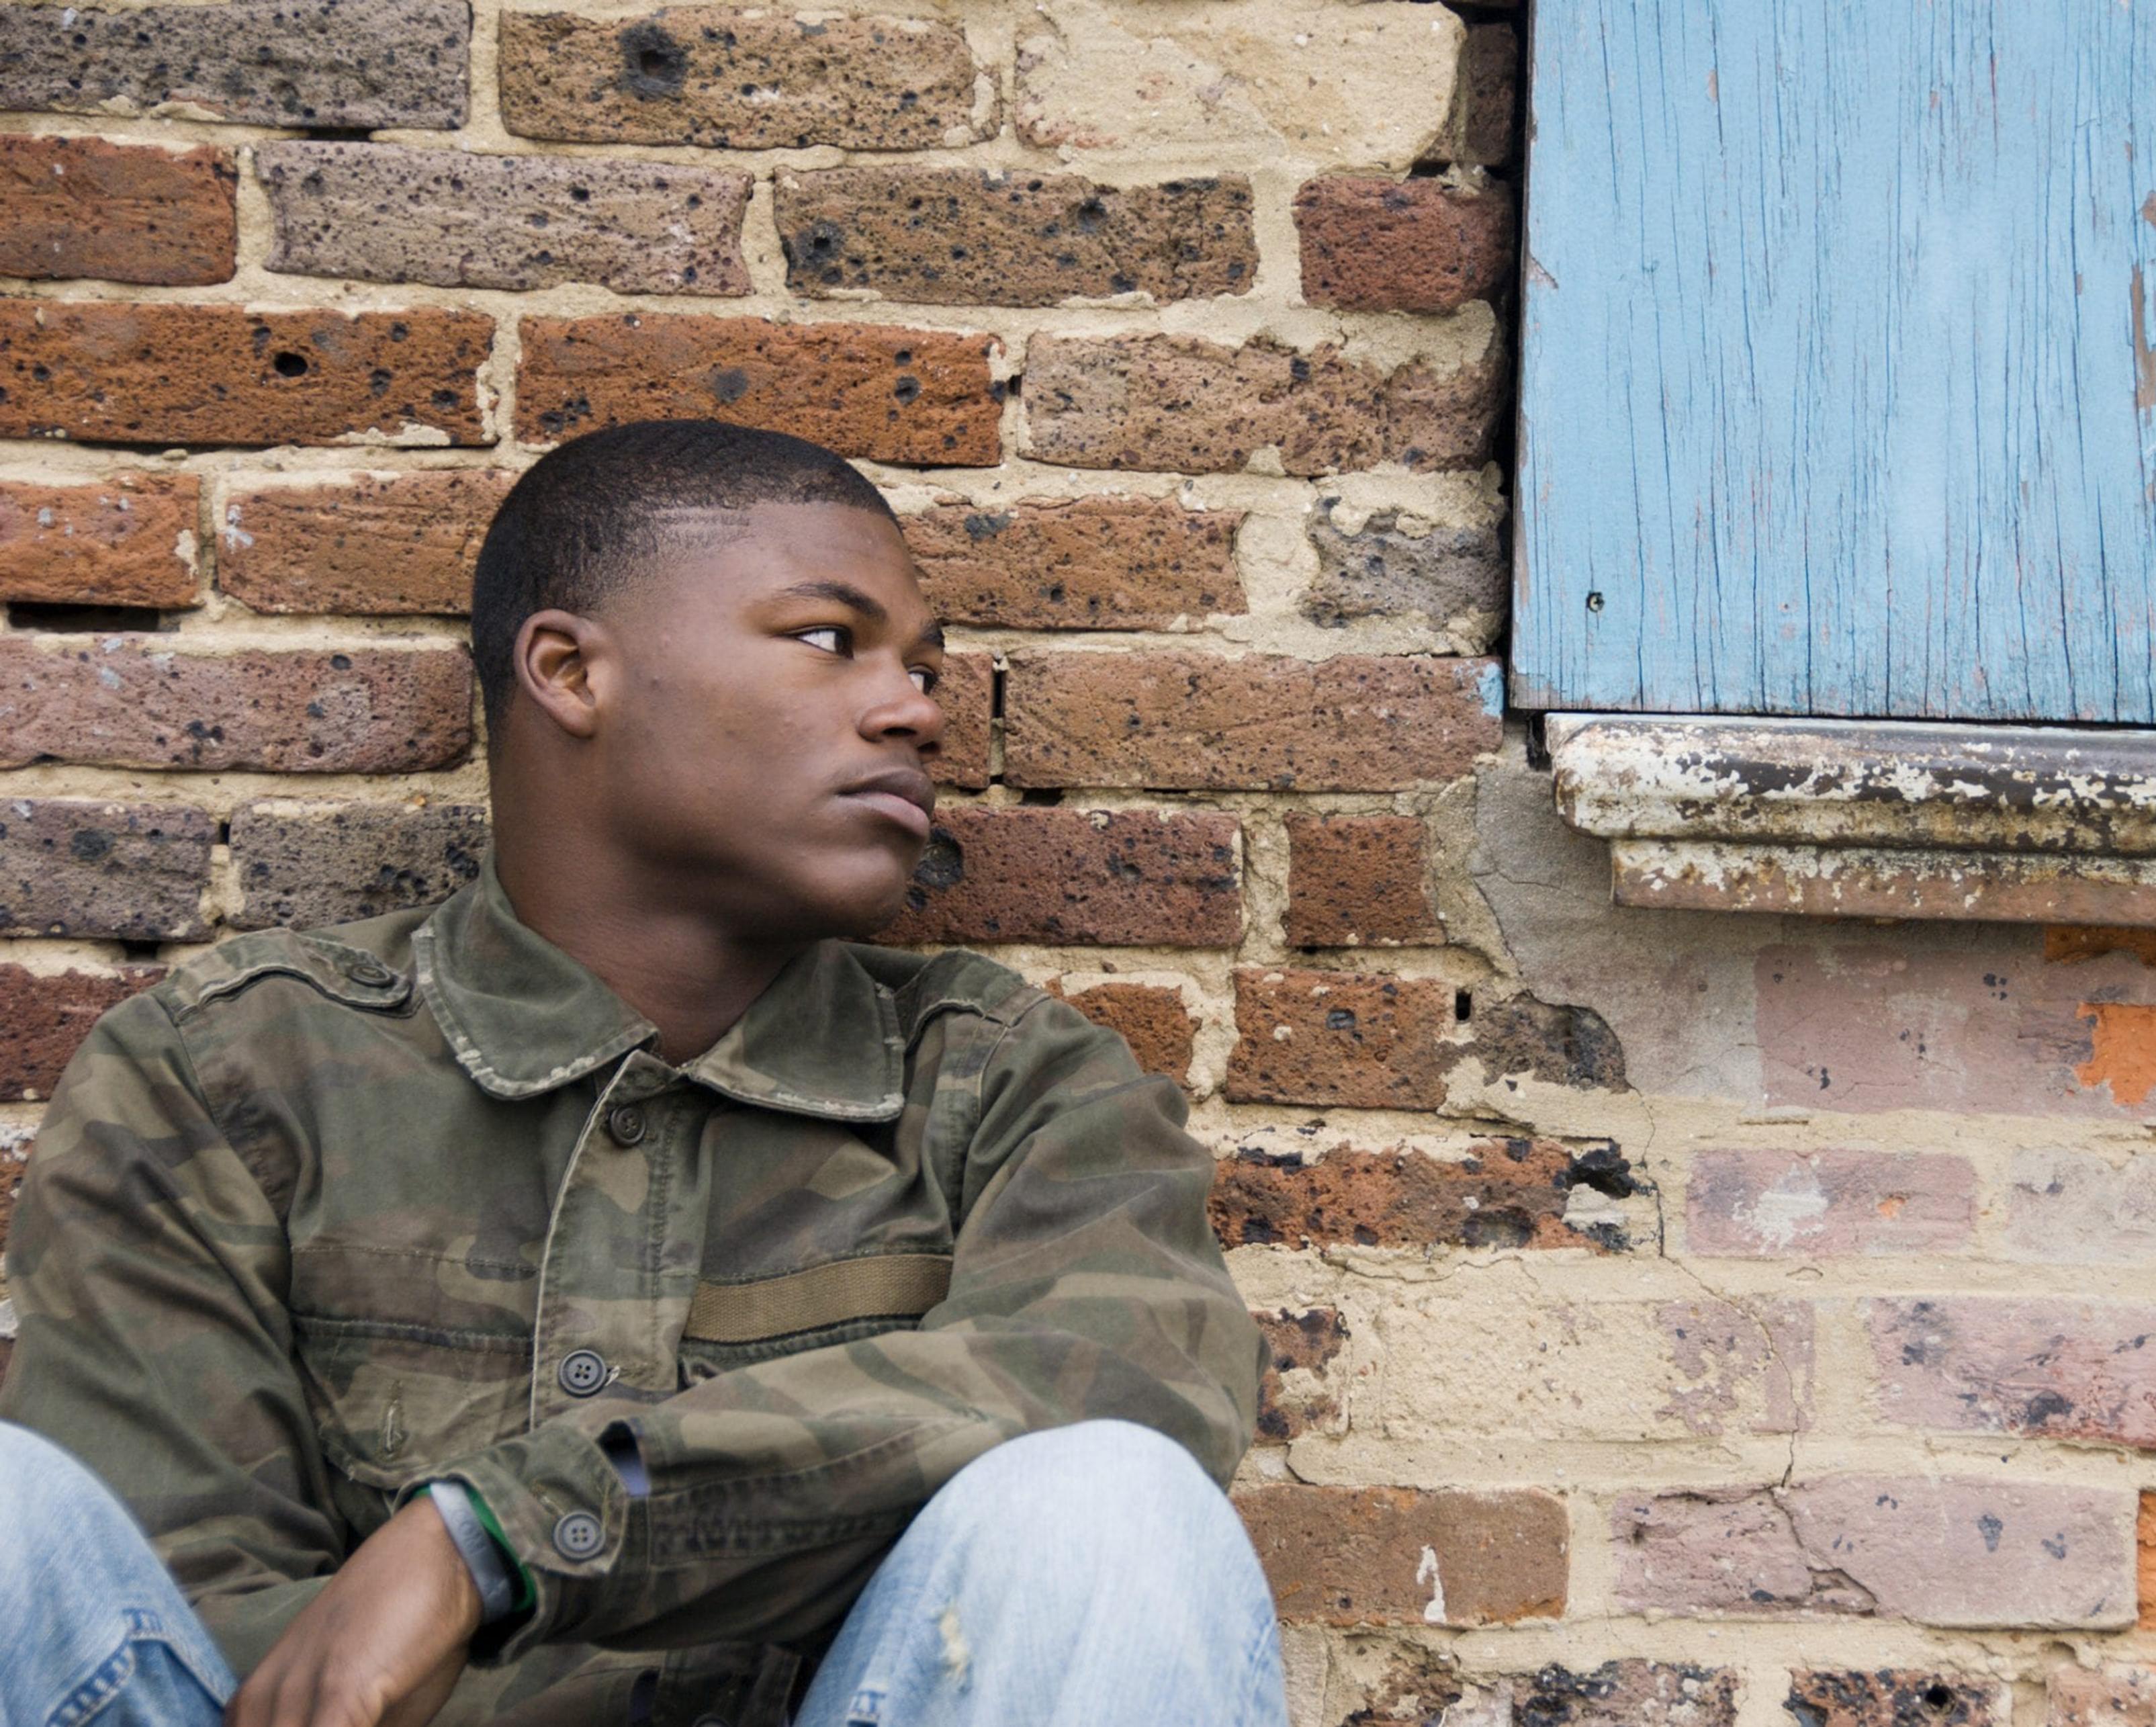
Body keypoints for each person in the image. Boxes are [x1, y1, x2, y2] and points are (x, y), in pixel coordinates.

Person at [0, 420, 1284, 1727]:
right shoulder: (229, 1070)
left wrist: (492, 1539)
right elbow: (160, 1611)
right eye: (831, 638)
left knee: (1107, 1504)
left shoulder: (1010, 1088)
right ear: (569, 671)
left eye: (924, 668)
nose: (917, 709)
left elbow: (1123, 1374)